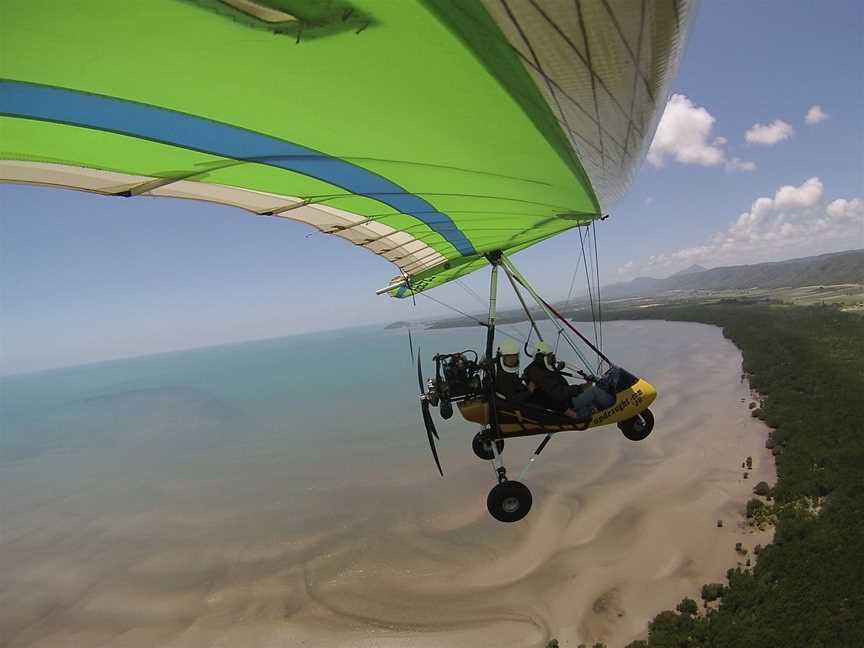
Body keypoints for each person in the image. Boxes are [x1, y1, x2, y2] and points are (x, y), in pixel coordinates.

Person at [524, 341, 613, 421]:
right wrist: (581, 388)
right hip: (566, 403)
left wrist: (556, 370)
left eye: (552, 356)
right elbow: (559, 393)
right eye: (549, 356)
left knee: (594, 392)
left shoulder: (541, 368)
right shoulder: (539, 373)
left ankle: (595, 407)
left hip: (565, 401)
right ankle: (614, 406)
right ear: (541, 357)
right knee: (594, 391)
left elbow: (556, 385)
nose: (552, 359)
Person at [493, 339, 533, 405]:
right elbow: (512, 400)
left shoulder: (506, 370)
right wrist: (529, 391)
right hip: (508, 407)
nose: (512, 360)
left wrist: (521, 380)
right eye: (508, 357)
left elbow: (512, 384)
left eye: (514, 356)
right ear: (501, 358)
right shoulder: (501, 375)